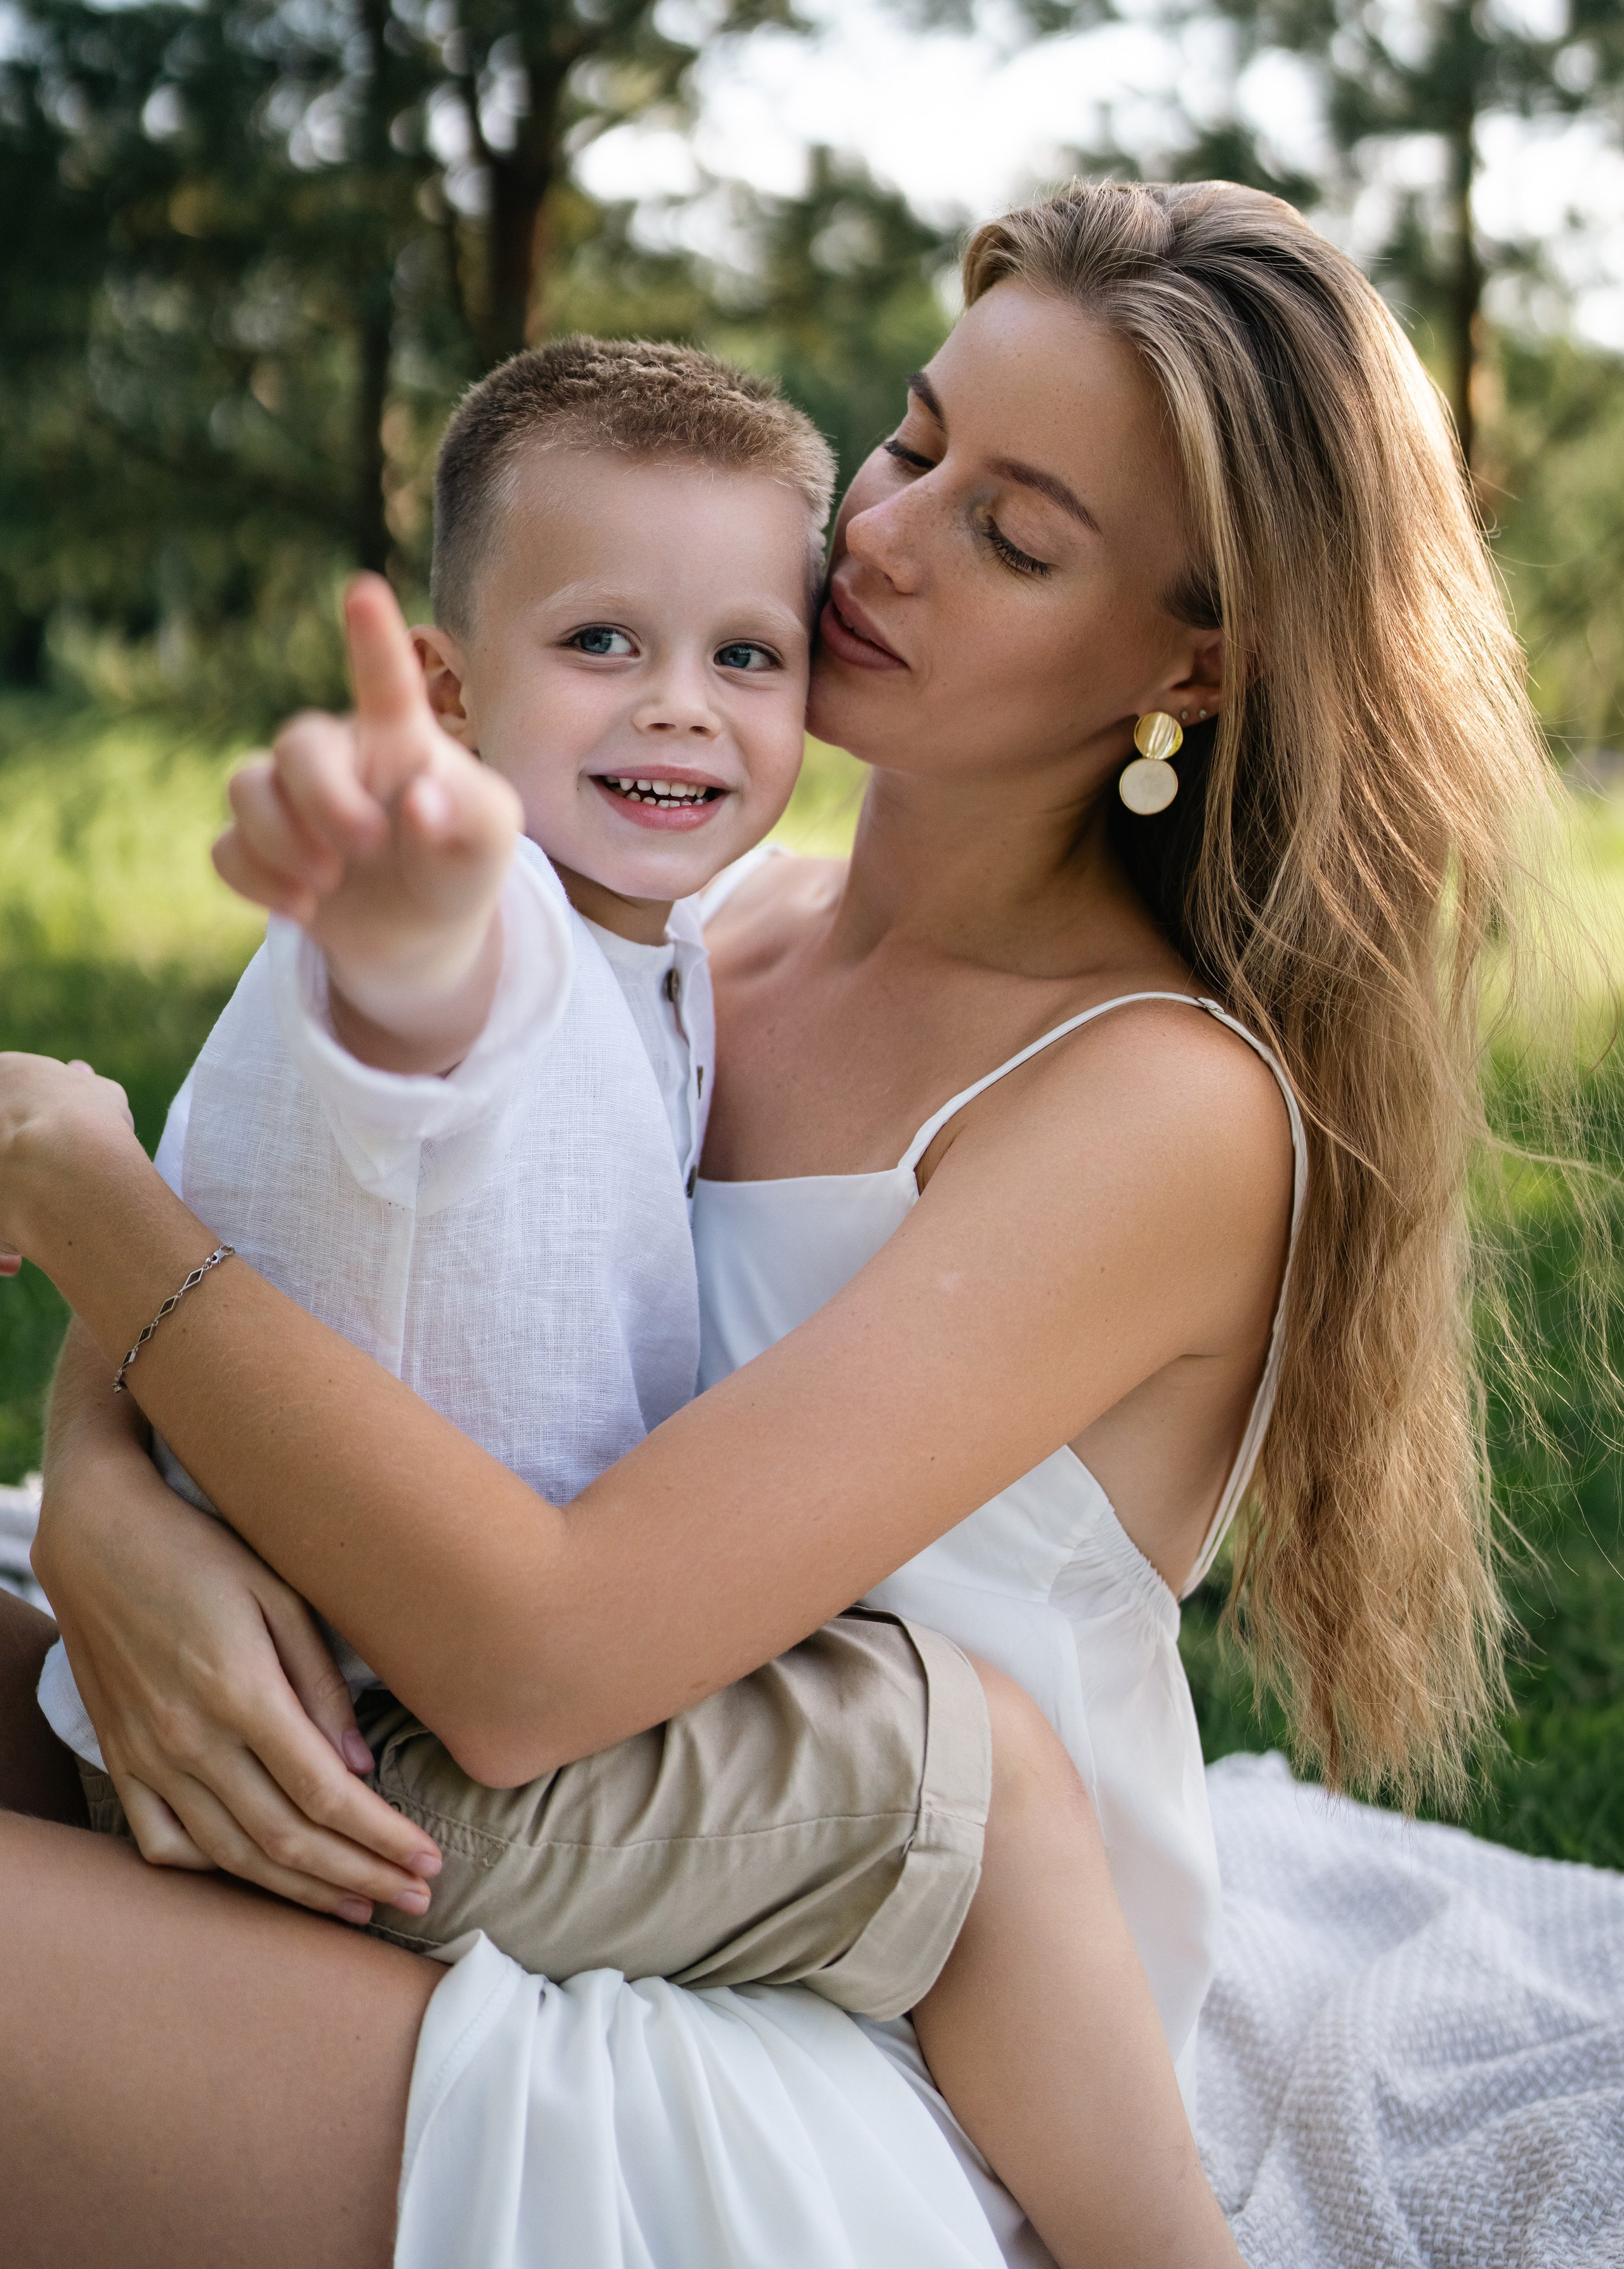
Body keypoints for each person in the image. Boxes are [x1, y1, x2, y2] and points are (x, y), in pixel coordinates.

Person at [0, 177, 1546, 2269]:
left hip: (810, 2033)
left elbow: (546, 1661)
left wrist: (77, 1199)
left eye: (1012, 532)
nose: (883, 538)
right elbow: (310, 1193)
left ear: (1203, 656)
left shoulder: (1151, 1111)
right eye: (914, 440)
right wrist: (107, 1500)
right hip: (448, 1781)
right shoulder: (699, 913)